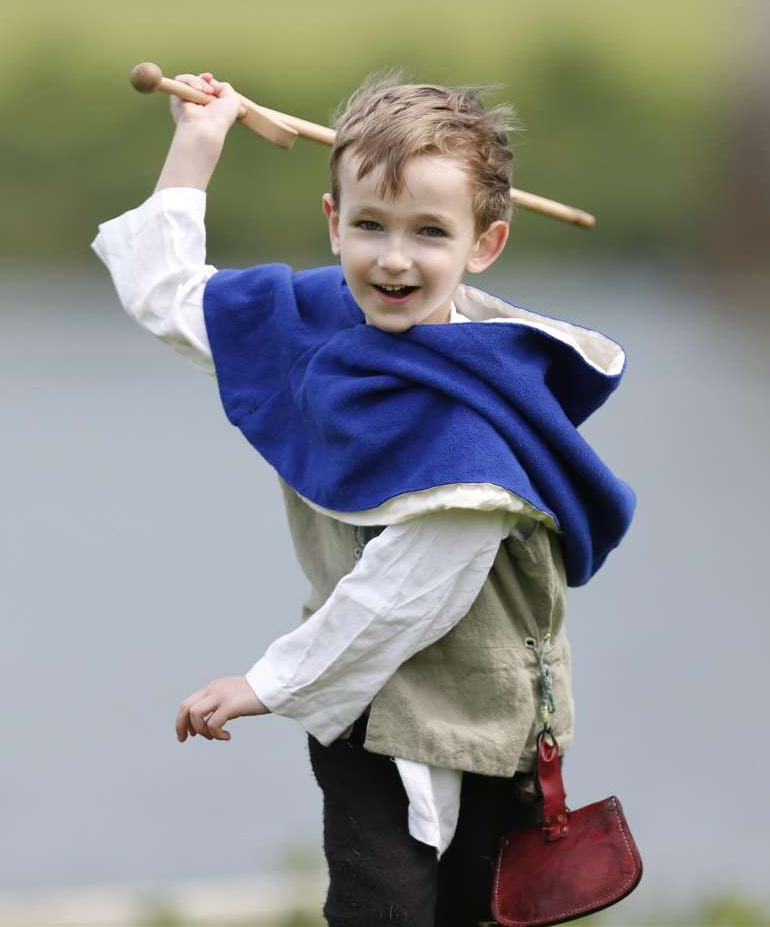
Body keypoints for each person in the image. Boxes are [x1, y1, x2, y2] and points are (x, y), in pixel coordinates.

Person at [91, 69, 634, 926]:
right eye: (371, 225)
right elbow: (168, 297)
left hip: (478, 732)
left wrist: (267, 683)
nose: (392, 258)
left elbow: (407, 595)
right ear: (333, 220)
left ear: (483, 244)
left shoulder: (478, 416)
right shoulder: (310, 325)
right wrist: (197, 144)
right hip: (368, 721)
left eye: (429, 232)